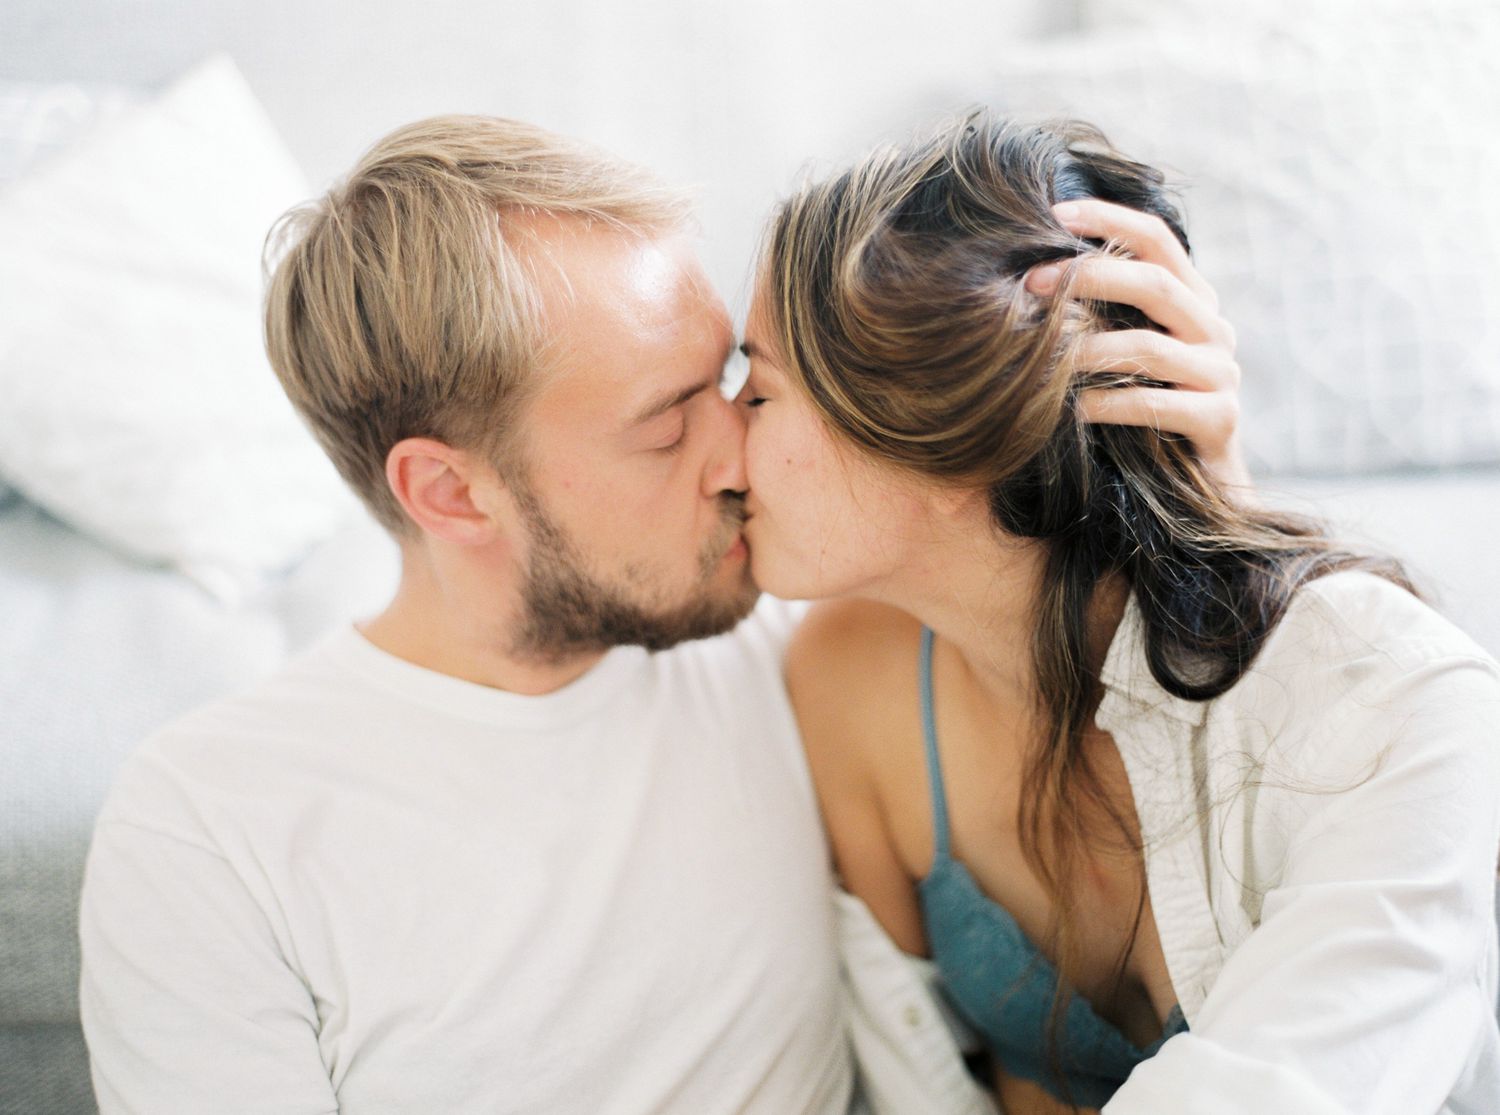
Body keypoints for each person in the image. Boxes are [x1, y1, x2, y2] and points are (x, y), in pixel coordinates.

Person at [78, 115, 1246, 1113]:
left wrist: (1203, 476)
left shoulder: (784, 642)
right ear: (449, 491)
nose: (745, 447)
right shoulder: (209, 829)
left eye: (732, 377)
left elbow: (1085, 633)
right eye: (665, 420)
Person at [734, 112, 1500, 1114]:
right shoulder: (846, 678)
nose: (720, 443)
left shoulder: (1390, 690)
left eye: (760, 390)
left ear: (939, 434)